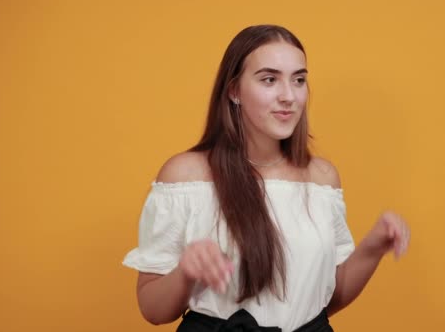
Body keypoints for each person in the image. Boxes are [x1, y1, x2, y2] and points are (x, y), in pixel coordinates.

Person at [122, 24, 410, 332]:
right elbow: (152, 308)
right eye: (270, 79)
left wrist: (373, 247)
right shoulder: (186, 177)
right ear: (234, 91)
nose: (289, 96)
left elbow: (327, 296)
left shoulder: (322, 179)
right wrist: (186, 272)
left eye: (298, 80)